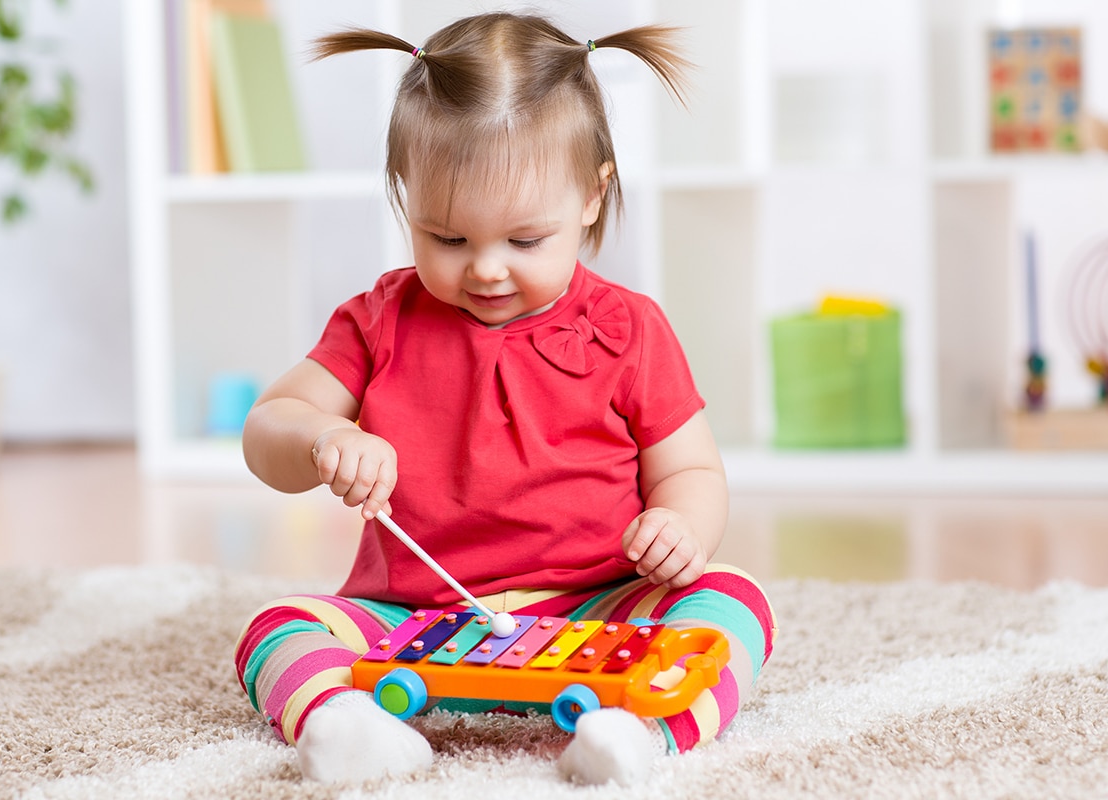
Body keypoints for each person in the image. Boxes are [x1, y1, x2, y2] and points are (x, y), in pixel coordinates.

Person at [235, 11, 776, 786]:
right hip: (413, 619)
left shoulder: (630, 329)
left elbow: (690, 470)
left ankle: (639, 735)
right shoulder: (380, 319)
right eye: (447, 239)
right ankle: (346, 728)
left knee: (734, 601)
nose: (486, 269)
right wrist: (321, 437)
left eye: (525, 241)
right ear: (404, 196)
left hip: (597, 612)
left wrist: (679, 528)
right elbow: (268, 428)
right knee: (277, 627)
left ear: (592, 197)